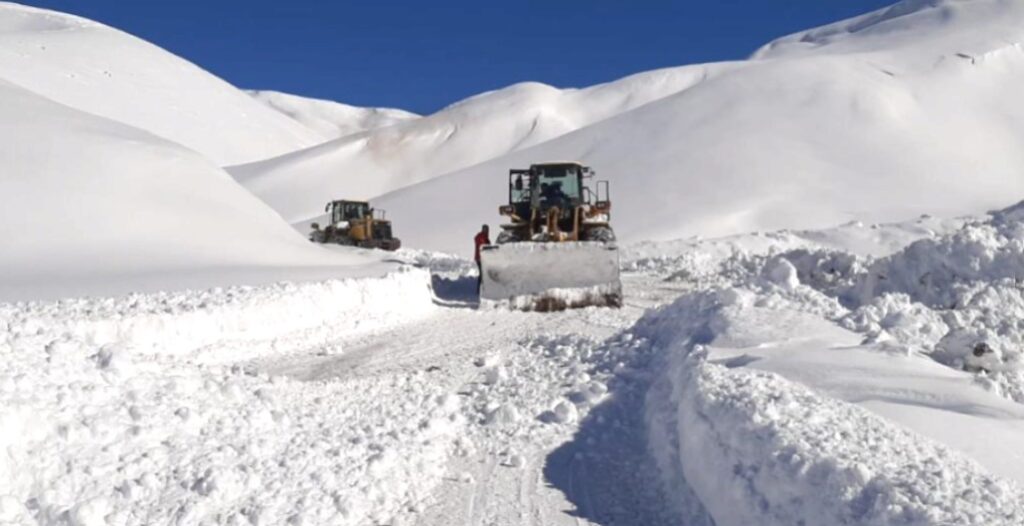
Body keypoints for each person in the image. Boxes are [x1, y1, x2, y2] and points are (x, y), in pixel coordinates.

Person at [474, 224, 491, 295]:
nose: (487, 231)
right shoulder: (481, 237)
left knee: (482, 274)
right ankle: (480, 290)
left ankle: (481, 289)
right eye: (486, 229)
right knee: (482, 274)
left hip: (481, 258)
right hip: (480, 258)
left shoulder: (484, 237)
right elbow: (483, 246)